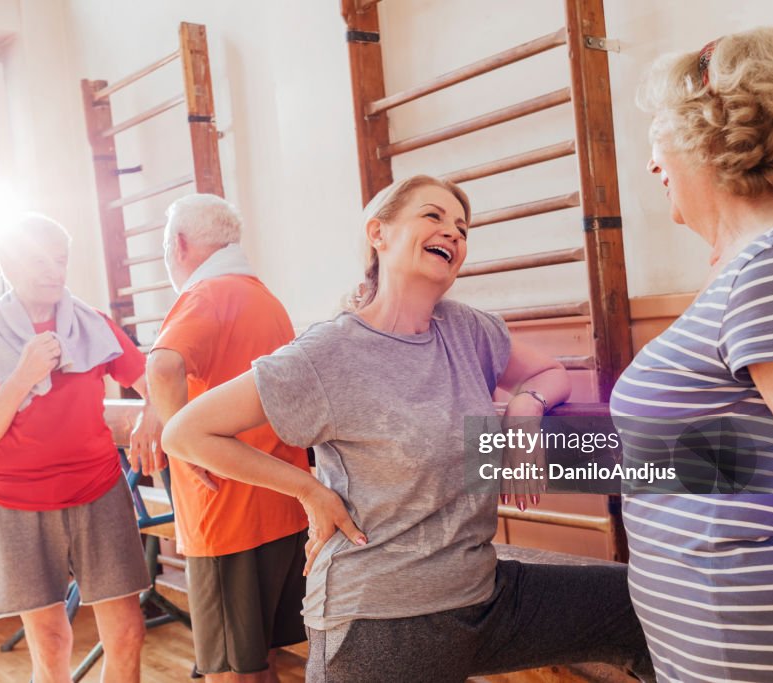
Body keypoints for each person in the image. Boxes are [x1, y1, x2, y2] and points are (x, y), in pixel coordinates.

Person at [159, 175, 653, 682]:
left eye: (463, 227)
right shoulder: (330, 353)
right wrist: (308, 491)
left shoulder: (468, 330)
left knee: (644, 609)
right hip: (380, 622)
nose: (454, 233)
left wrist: (524, 412)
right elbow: (185, 432)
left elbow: (549, 373)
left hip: (482, 596)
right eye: (434, 216)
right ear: (379, 233)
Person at [612, 27, 773, 682]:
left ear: (706, 132)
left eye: (657, 135)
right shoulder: (759, 262)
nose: (652, 164)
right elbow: (741, 458)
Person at [0, 214, 162, 683]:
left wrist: (154, 408)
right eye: (39, 261)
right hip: (17, 504)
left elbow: (152, 379)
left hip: (99, 493)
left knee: (128, 633)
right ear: (7, 265)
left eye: (61, 260)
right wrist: (24, 374)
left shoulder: (94, 325)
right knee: (50, 644)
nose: (54, 270)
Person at [143, 194, 309, 683]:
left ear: (179, 244)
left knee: (231, 674)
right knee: (263, 660)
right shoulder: (264, 299)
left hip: (225, 515)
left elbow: (162, 363)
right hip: (278, 506)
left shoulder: (204, 296)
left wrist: (179, 443)